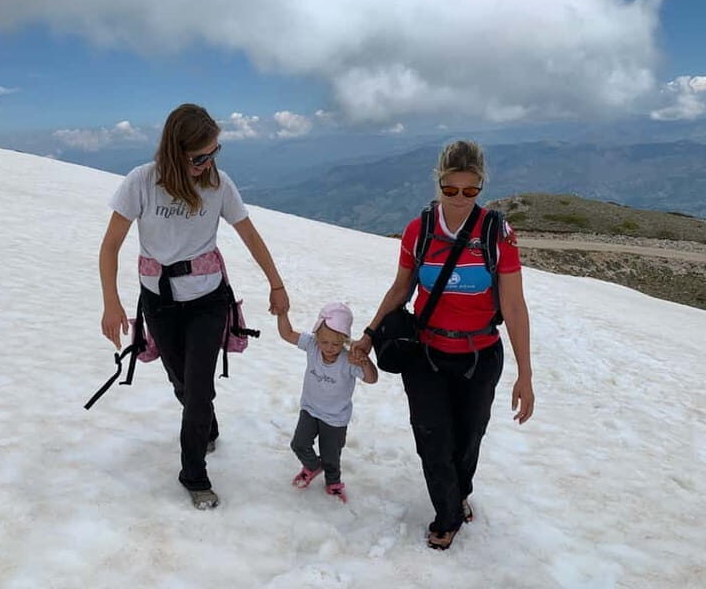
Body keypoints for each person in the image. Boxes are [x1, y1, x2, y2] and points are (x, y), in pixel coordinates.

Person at [99, 103, 289, 510]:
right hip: (159, 302)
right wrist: (111, 302)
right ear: (173, 150)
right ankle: (207, 426)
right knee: (182, 382)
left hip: (207, 300)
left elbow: (249, 235)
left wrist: (277, 285)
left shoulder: (219, 185)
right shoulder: (141, 182)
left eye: (213, 153)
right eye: (198, 157)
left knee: (199, 387)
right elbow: (111, 243)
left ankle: (194, 474)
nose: (206, 164)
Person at [351, 140, 534, 549]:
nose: (459, 199)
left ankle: (459, 493)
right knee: (433, 440)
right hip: (427, 355)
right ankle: (447, 516)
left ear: (482, 187)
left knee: (469, 439)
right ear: (439, 183)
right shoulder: (420, 230)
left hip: (481, 355)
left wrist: (526, 373)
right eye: (451, 190)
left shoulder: (497, 233)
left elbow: (514, 305)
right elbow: (401, 289)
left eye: (471, 191)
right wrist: (369, 332)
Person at [277, 303, 378, 502]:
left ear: (345, 341)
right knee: (299, 444)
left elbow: (372, 379)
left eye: (336, 344)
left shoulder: (349, 359)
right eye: (324, 342)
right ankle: (313, 466)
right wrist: (282, 313)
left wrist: (365, 361)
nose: (329, 348)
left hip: (335, 419)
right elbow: (287, 333)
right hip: (310, 409)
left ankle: (333, 482)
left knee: (331, 455)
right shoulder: (312, 345)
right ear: (316, 337)